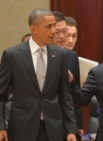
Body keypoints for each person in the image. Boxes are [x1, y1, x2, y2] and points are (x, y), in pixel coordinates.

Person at [0, 8, 77, 141]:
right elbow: (1, 95)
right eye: (48, 27)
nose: (53, 31)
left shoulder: (60, 55)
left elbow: (65, 96)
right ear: (34, 29)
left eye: (54, 26)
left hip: (53, 128)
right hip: (21, 128)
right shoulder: (12, 55)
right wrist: (1, 127)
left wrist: (71, 129)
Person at [52, 11, 83, 140]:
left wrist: (78, 124)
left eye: (65, 31)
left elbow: (75, 97)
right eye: (59, 32)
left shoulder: (71, 56)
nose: (65, 37)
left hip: (66, 124)